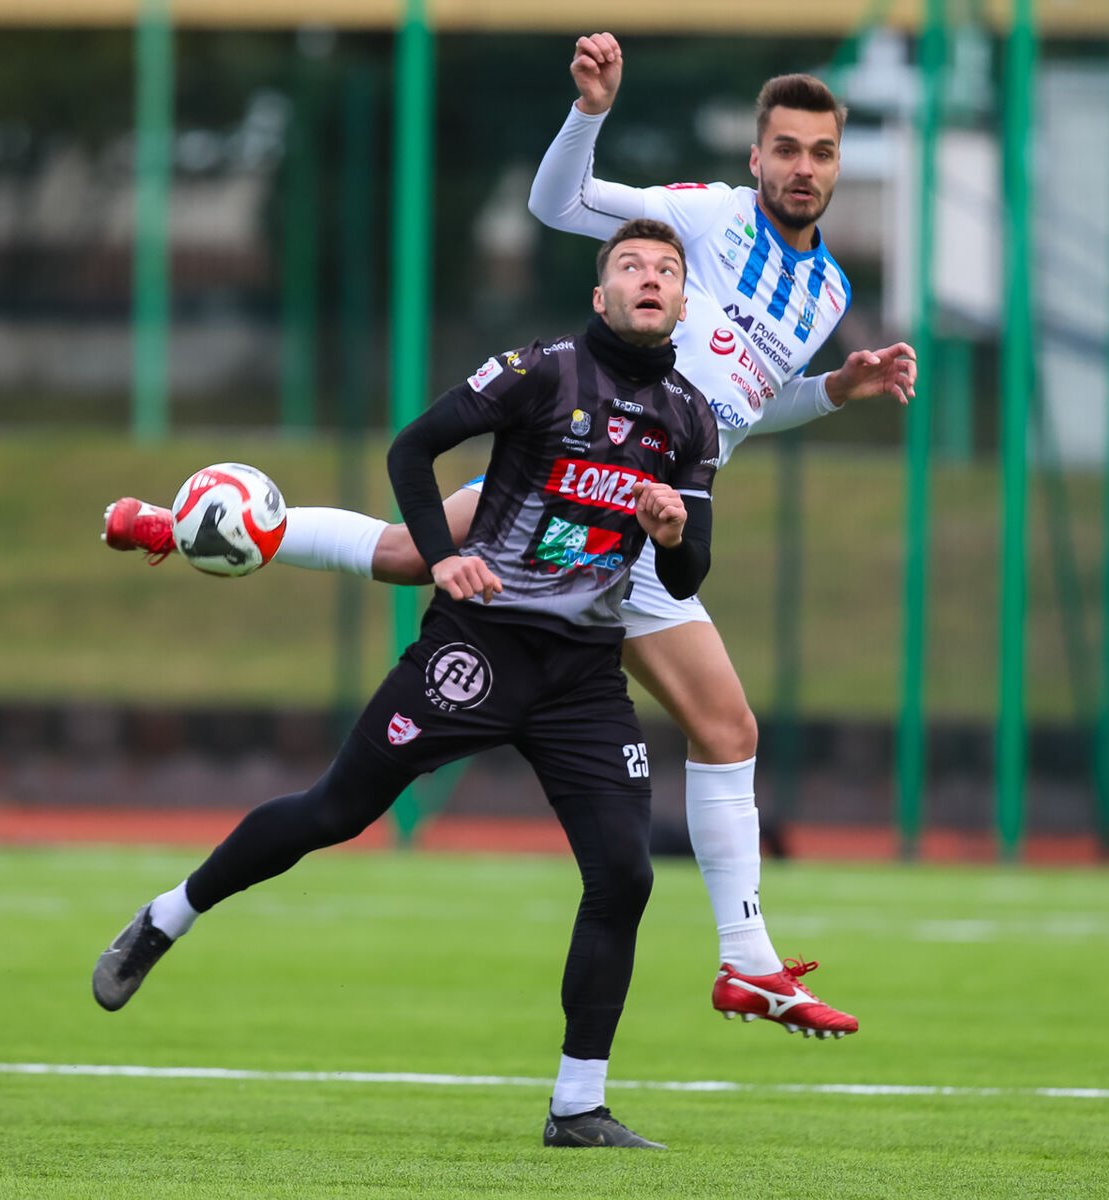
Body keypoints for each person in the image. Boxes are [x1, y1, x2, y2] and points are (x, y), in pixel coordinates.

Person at [104, 41, 915, 1039]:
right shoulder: (706, 217)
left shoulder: (826, 292)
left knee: (713, 726)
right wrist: (590, 111)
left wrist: (835, 389)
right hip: (580, 475)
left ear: (837, 165)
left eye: (821, 152)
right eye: (784, 148)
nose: (802, 166)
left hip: (639, 516)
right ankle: (185, 524)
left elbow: (747, 405)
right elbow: (557, 207)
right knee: (424, 572)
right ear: (754, 159)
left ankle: (739, 968)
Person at [93, 219, 720, 1150]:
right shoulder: (538, 373)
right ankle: (164, 917)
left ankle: (576, 1106)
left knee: (625, 873)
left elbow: (684, 580)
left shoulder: (688, 418)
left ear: (680, 300)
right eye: (630, 265)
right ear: (600, 295)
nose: (650, 279)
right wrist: (445, 558)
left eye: (667, 270)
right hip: (482, 643)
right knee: (333, 812)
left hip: (583, 676)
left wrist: (672, 535)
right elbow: (410, 451)